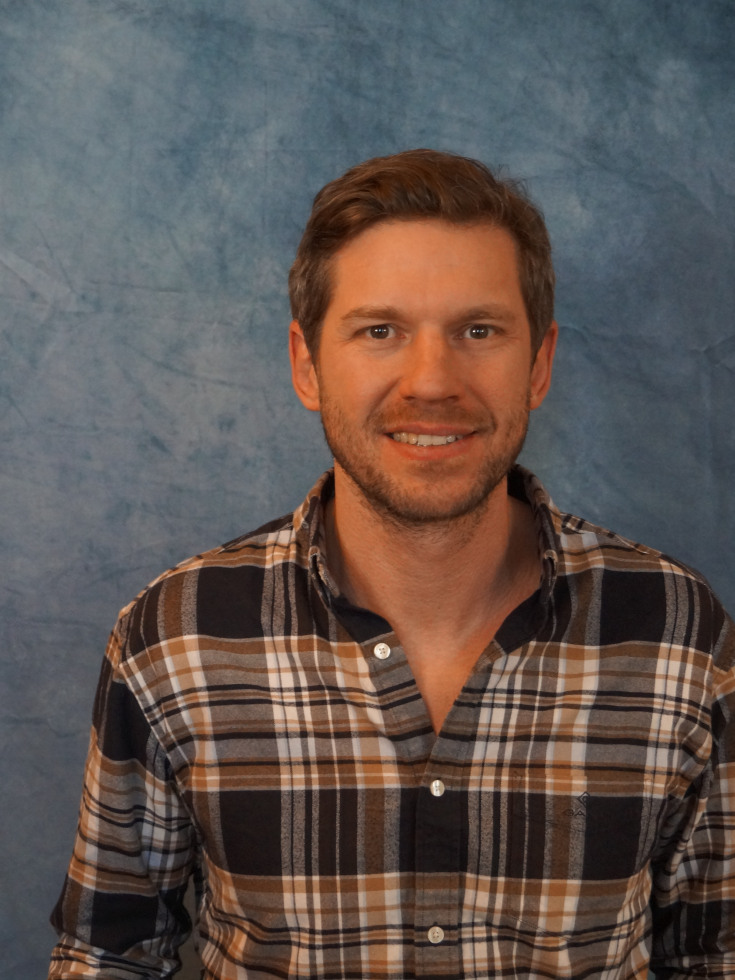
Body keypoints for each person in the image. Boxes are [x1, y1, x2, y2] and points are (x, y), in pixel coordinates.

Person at [48, 149, 735, 979]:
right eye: (380, 331)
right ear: (306, 365)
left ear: (540, 363)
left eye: (477, 331)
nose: (431, 380)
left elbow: (714, 956)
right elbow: (108, 956)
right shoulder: (175, 637)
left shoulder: (678, 638)